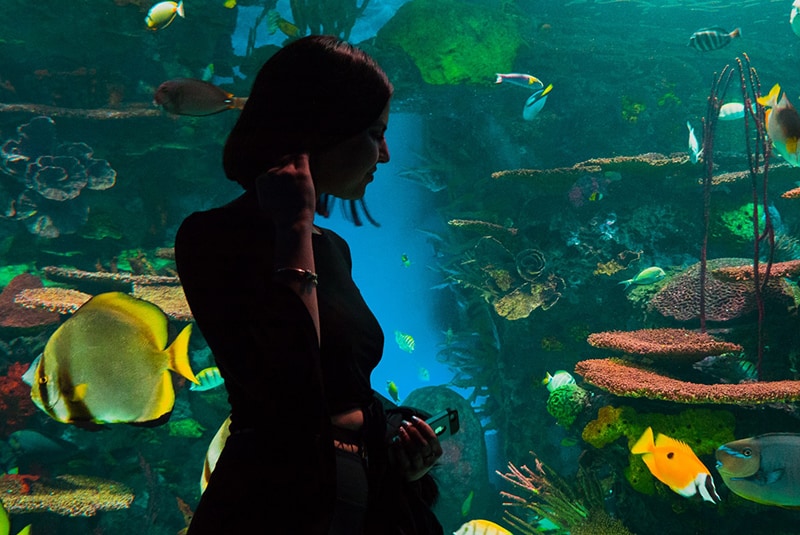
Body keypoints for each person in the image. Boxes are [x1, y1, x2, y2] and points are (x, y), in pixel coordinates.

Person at [175, 35, 444, 534]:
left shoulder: (332, 247)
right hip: (278, 506)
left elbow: (344, 384)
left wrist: (402, 453)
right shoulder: (210, 238)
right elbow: (291, 386)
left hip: (364, 497)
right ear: (322, 130)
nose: (384, 155)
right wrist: (293, 227)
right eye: (373, 133)